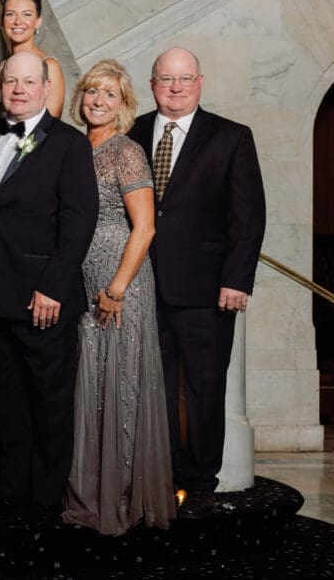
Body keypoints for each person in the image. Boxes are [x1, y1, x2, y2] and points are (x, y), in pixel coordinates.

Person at [128, 47, 265, 520]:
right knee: (156, 388)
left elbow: (248, 218)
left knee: (205, 390)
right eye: (166, 78)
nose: (176, 87)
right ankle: (163, 477)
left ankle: (201, 483)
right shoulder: (135, 132)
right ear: (152, 84)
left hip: (208, 291)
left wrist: (236, 280)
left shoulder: (231, 137)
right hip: (145, 288)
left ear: (200, 82)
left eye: (185, 78)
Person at [0, 51, 98, 523]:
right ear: (0, 86)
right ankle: (12, 492)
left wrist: (53, 287)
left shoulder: (69, 144)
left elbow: (78, 221)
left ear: (47, 88)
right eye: (11, 82)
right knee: (4, 401)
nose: (19, 90)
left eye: (29, 82)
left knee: (49, 403)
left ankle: (46, 499)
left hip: (42, 298)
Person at [61, 59, 175, 535]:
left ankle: (121, 503)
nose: (98, 101)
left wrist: (117, 289)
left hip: (119, 281)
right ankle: (89, 495)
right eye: (91, 92)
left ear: (125, 105)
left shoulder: (125, 151)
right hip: (80, 280)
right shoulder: (72, 147)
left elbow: (145, 228)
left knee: (121, 385)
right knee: (90, 386)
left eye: (109, 94)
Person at [2, 0, 65, 118]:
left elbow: (49, 125)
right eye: (10, 14)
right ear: (3, 20)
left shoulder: (49, 66)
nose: (18, 21)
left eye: (26, 14)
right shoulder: (0, 67)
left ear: (38, 22)